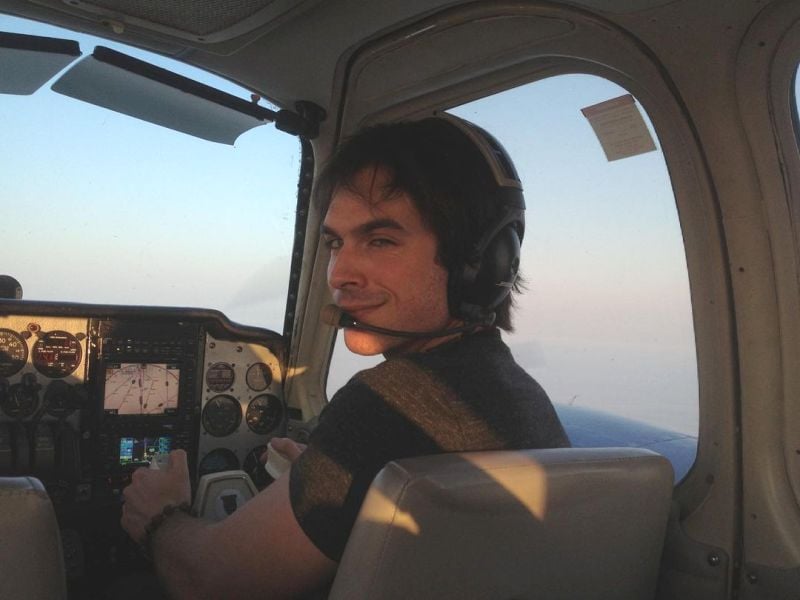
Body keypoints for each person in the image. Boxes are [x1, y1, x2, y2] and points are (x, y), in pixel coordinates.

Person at [120, 115, 569, 599]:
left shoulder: (392, 402)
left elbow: (208, 582)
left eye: (380, 240)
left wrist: (161, 515)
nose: (340, 273)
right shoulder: (518, 395)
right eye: (336, 242)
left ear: (483, 265)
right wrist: (325, 478)